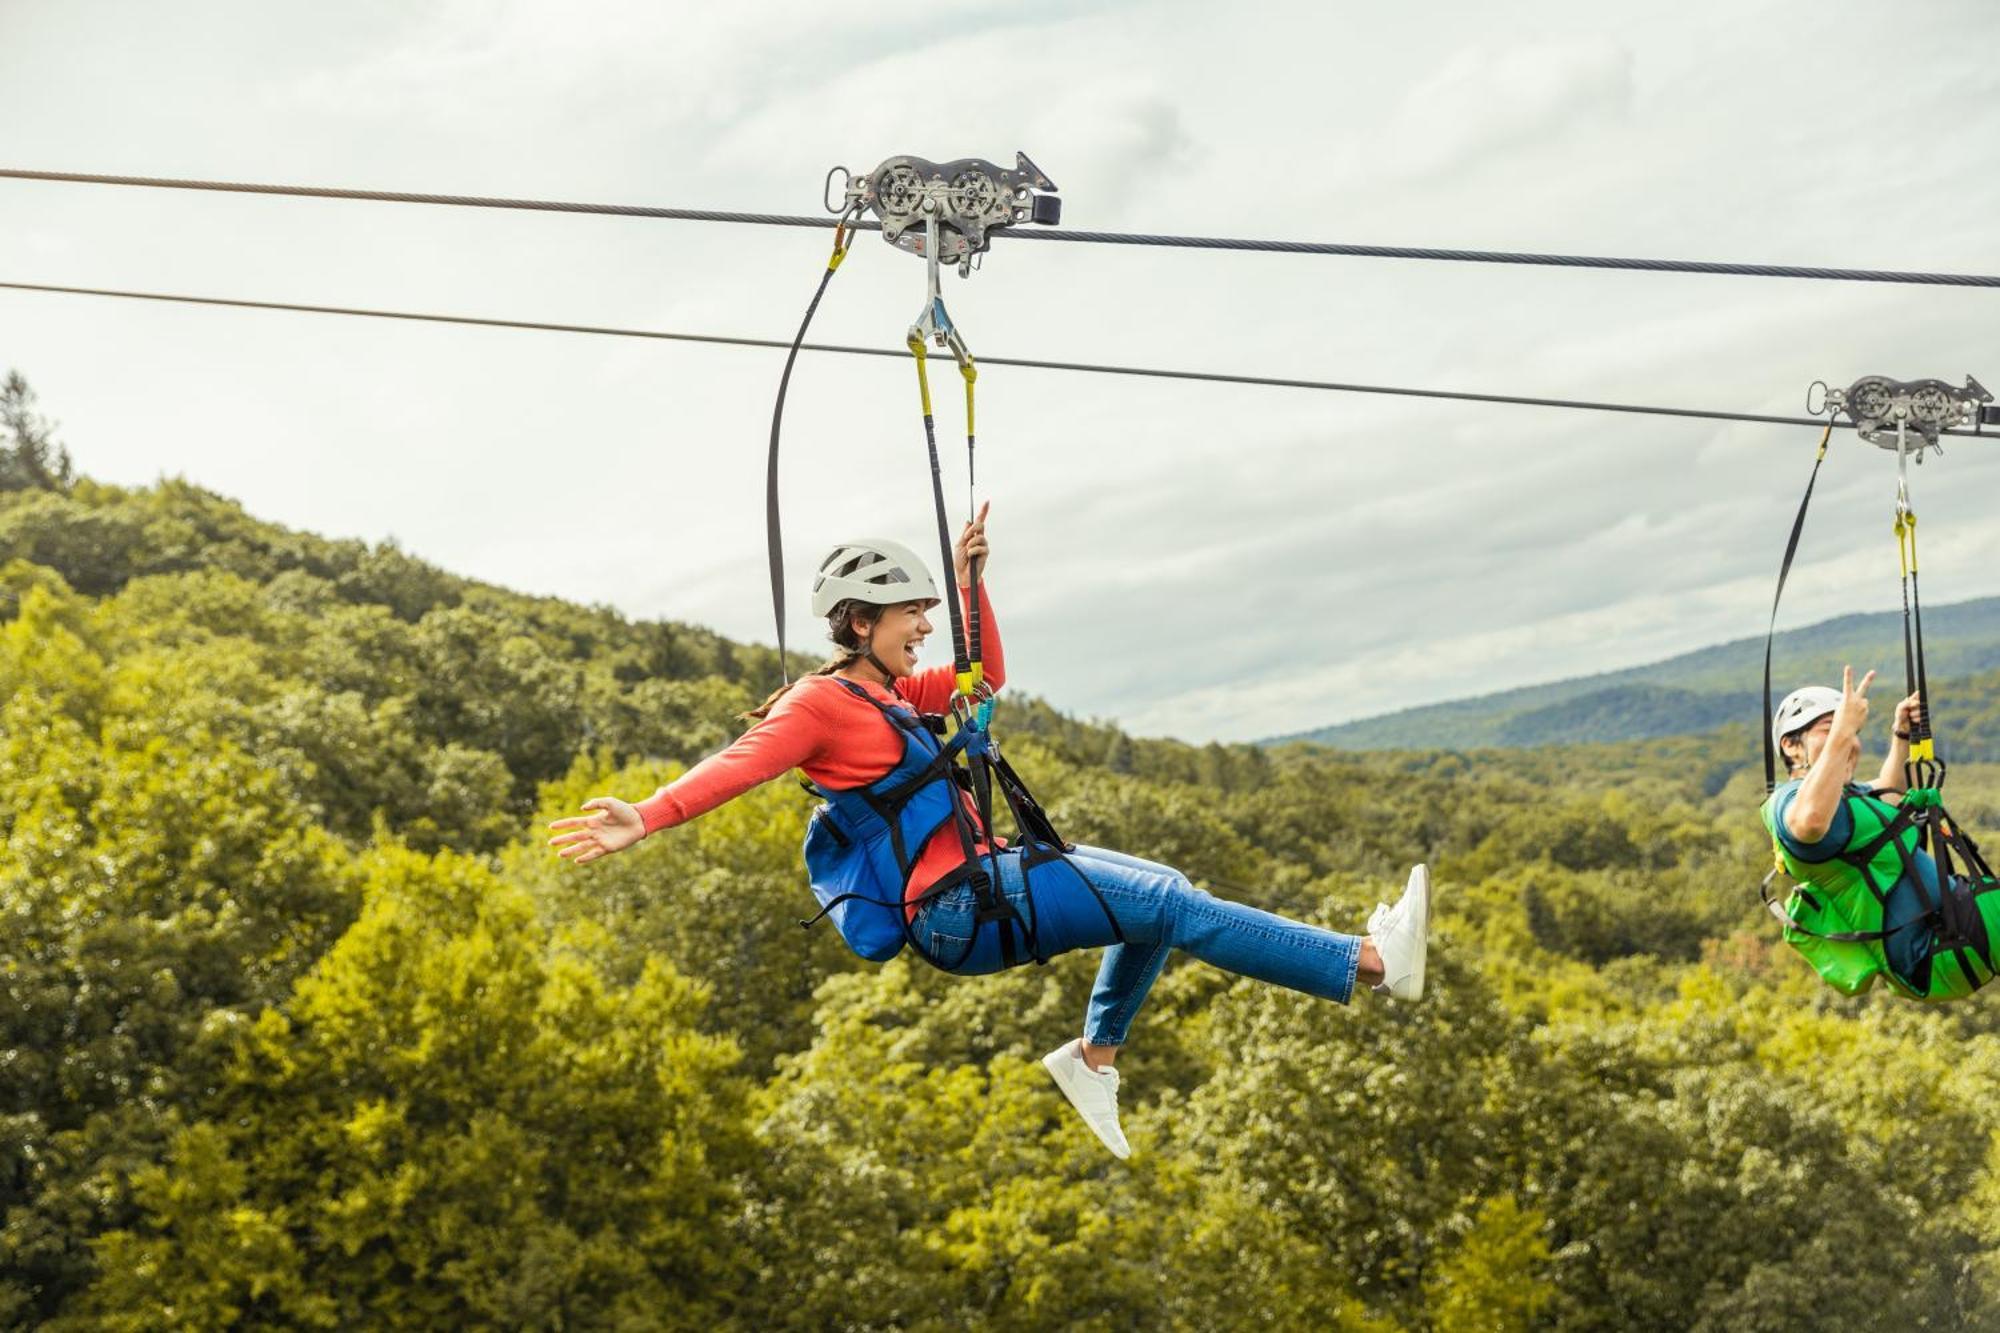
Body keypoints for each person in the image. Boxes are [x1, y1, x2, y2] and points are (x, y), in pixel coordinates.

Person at [549, 507, 1432, 1158]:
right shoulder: (819, 703)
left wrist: (973, 587)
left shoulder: (889, 695)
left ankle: (1094, 1056)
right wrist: (649, 814)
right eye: (911, 617)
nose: (923, 630)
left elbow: (983, 674)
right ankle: (1369, 962)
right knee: (1165, 904)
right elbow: (742, 761)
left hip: (984, 877)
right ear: (860, 621)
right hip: (958, 907)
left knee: (1164, 888)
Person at [1763, 668, 1999, 1000]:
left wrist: (1901, 735)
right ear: (1791, 746)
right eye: (1829, 730)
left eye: (1851, 731)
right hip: (1932, 949)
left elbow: (1888, 797)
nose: (1848, 740)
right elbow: (1810, 822)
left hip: (1955, 928)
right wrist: (1843, 730)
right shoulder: (1788, 801)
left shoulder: (1845, 795)